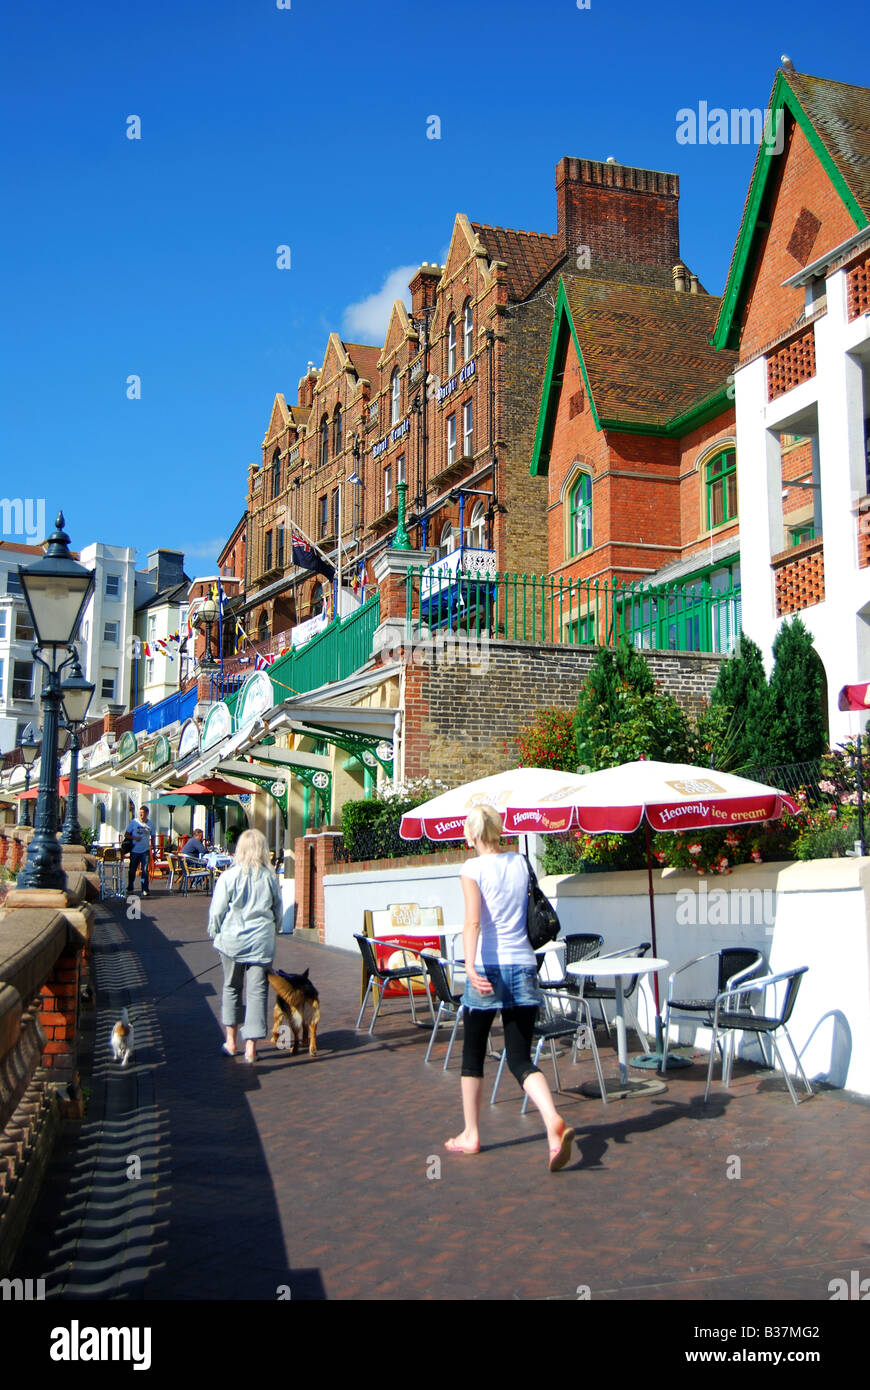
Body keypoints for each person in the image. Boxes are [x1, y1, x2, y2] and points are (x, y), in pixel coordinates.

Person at [445, 804, 575, 1172]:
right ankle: (551, 1119)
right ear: (498, 830)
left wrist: (469, 965)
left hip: (489, 966)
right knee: (519, 1056)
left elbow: (472, 922)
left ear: (471, 835)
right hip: (523, 965)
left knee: (472, 1052)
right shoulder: (520, 862)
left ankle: (471, 1134)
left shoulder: (471, 868)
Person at [208, 828, 282, 1064]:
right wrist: (274, 930)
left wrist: (215, 933)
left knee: (231, 987)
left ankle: (230, 1042)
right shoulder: (270, 878)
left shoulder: (229, 877)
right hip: (261, 941)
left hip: (232, 941)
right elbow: (278, 910)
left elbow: (217, 911)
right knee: (257, 992)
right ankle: (251, 1046)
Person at [125, 805, 156, 898]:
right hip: (135, 850)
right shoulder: (134, 822)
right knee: (132, 869)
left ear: (147, 813)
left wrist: (153, 850)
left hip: (145, 850)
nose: (141, 815)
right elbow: (126, 834)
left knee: (145, 870)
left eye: (143, 813)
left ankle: (145, 889)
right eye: (140, 813)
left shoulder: (150, 824)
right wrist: (134, 838)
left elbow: (153, 836)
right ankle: (130, 887)